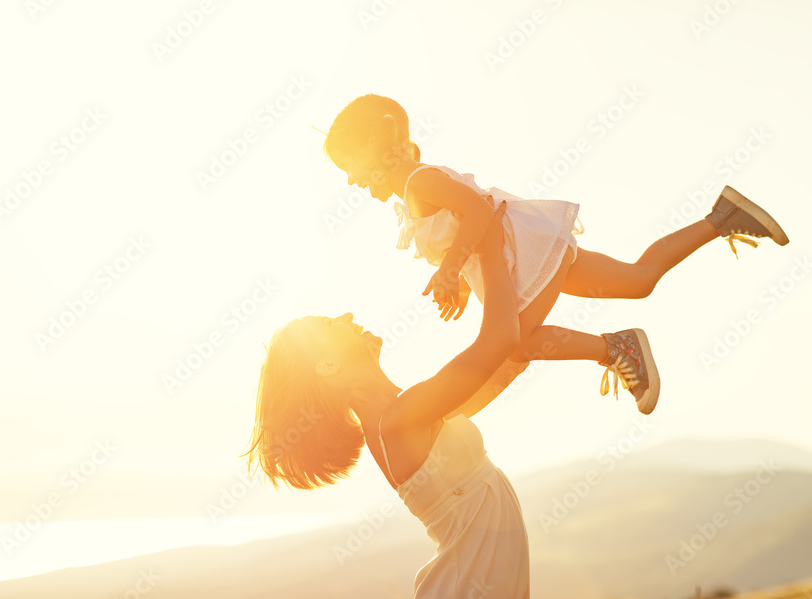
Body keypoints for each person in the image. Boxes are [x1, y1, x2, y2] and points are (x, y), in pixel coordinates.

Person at [322, 93, 789, 414]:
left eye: (350, 165)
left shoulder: (418, 183)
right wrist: (461, 280)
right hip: (528, 249)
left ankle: (615, 347)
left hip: (520, 257)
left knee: (516, 342)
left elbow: (479, 210)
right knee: (638, 279)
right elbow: (467, 223)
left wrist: (448, 270)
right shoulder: (415, 189)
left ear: (381, 140)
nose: (349, 180)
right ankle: (722, 218)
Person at [246, 204, 532, 597]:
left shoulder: (410, 411)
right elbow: (501, 340)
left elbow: (511, 358)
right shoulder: (400, 418)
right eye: (331, 324)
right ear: (327, 366)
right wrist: (487, 245)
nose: (346, 315)